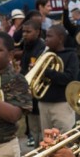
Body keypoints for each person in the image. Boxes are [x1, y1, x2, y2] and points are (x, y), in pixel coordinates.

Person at [38, 24, 79, 157]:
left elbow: (69, 78)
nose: (46, 40)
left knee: (64, 141)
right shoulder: (45, 55)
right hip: (44, 103)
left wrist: (47, 72)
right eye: (46, 36)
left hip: (62, 103)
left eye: (49, 36)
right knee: (47, 142)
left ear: (60, 38)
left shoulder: (70, 55)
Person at [19, 20, 46, 148]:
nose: (25, 34)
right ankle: (36, 152)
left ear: (37, 32)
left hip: (39, 93)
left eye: (28, 31)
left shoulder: (41, 47)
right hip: (29, 93)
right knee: (33, 127)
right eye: (23, 31)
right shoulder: (26, 45)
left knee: (42, 127)